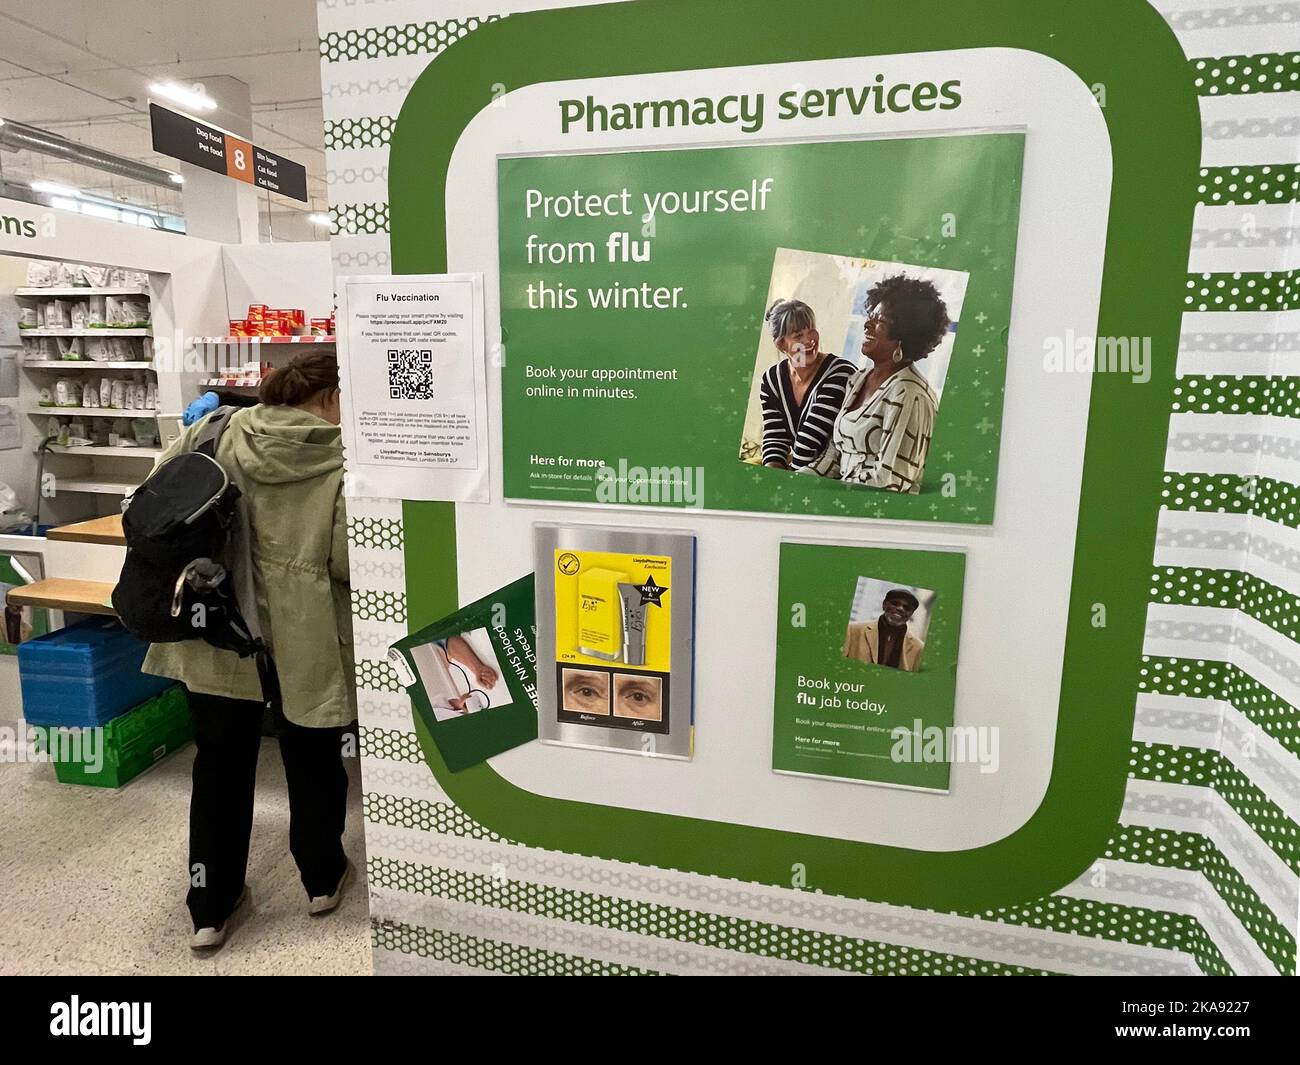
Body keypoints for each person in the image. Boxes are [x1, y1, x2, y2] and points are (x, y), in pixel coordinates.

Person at [142, 352, 356, 951]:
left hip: (214, 630)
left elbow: (156, 509)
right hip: (302, 636)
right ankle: (321, 878)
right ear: (330, 397)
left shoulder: (209, 431)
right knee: (313, 758)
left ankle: (210, 906)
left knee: (219, 766)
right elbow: (343, 562)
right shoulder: (342, 459)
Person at [802, 275, 948, 492]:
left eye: (879, 321)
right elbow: (834, 457)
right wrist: (794, 482)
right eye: (870, 316)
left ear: (904, 335)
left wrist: (827, 496)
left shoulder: (910, 395)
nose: (867, 325)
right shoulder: (858, 379)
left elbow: (890, 483)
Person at [756, 298, 855, 470]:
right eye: (798, 335)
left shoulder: (841, 373)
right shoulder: (771, 380)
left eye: (812, 331)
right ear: (781, 344)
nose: (809, 340)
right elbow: (774, 438)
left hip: (836, 470)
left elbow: (810, 442)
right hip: (800, 469)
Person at [843, 588, 926, 672]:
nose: (900, 608)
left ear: (911, 614)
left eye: (907, 608)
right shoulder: (852, 629)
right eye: (895, 603)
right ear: (884, 605)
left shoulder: (919, 648)